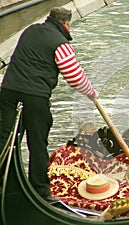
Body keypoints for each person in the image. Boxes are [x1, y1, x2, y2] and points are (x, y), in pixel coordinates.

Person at [0, 7, 98, 203]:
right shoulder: (60, 44)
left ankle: (5, 181)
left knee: (5, 138)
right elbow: (75, 77)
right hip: (35, 97)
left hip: (8, 92)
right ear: (66, 24)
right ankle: (41, 189)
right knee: (37, 142)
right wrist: (92, 93)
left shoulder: (29, 31)